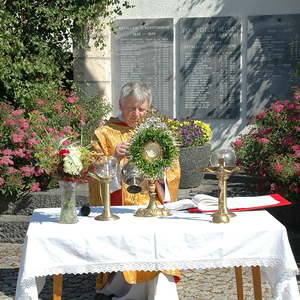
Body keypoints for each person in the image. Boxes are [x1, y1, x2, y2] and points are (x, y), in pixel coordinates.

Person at [89, 82, 181, 300]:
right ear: (121, 104)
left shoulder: (157, 133)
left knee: (158, 247)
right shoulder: (104, 134)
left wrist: (159, 174)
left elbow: (174, 170)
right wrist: (114, 158)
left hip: (153, 206)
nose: (136, 114)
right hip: (121, 208)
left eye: (142, 109)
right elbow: (93, 171)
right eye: (131, 108)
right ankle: (126, 289)